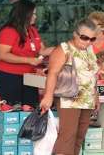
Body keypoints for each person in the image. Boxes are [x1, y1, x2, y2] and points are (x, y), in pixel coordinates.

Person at [40, 18, 100, 155]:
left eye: (92, 39)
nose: (88, 42)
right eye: (84, 38)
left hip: (87, 98)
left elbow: (92, 74)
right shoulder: (63, 49)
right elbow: (52, 73)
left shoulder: (90, 49)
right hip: (69, 98)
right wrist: (48, 96)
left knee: (80, 135)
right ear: (75, 34)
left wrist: (96, 95)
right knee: (68, 135)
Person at [0, 0, 54, 110]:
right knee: (13, 109)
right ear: (25, 14)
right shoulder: (9, 31)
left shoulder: (32, 30)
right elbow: (2, 55)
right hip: (9, 76)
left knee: (31, 108)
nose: (35, 16)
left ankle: (29, 128)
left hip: (29, 77)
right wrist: (29, 60)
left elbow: (41, 50)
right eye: (33, 14)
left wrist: (59, 49)